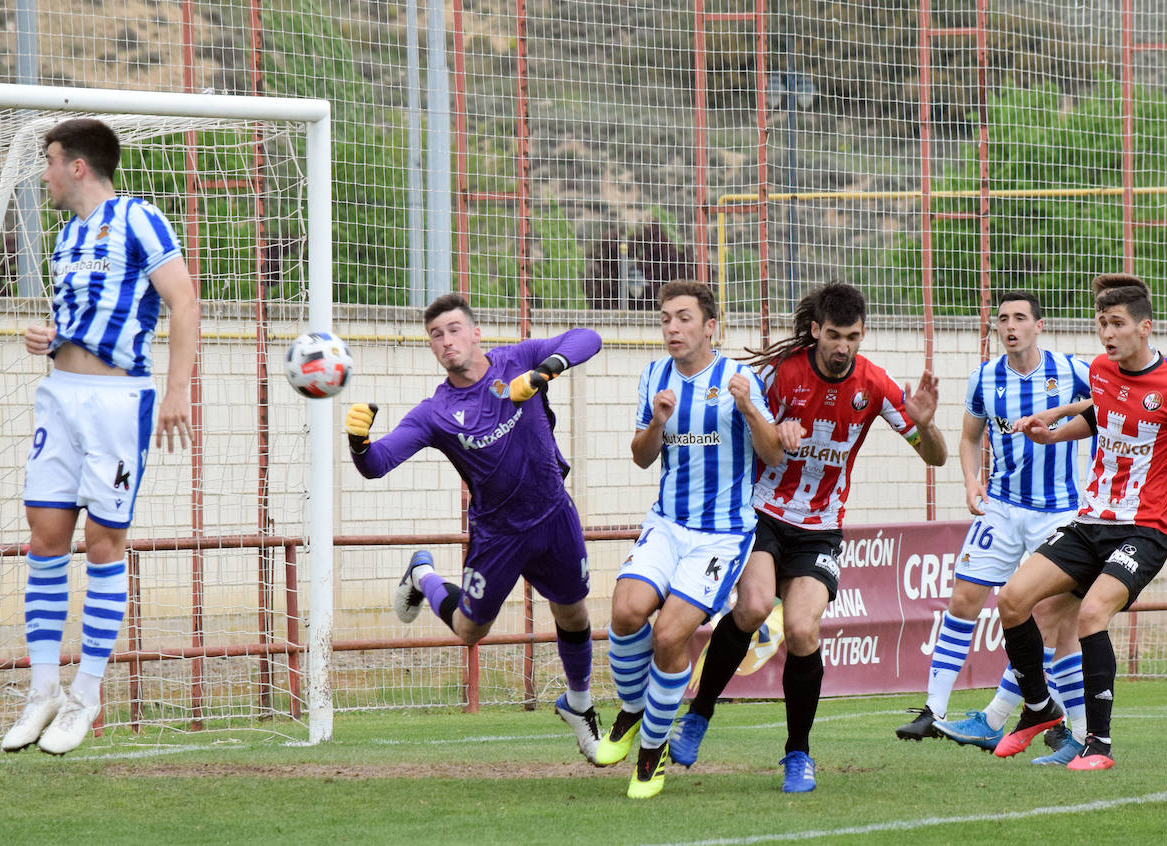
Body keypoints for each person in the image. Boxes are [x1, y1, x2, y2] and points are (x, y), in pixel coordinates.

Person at [668, 282, 948, 792]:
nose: (844, 347)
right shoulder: (781, 373)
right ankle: (700, 713)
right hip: (761, 513)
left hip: (819, 530)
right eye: (835, 335)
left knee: (801, 631)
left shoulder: (875, 384)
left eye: (854, 337)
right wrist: (773, 429)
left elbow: (935, 458)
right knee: (752, 607)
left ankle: (798, 753)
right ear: (816, 330)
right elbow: (739, 425)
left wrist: (926, 426)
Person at [1, 118, 199, 755]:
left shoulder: (139, 218)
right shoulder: (65, 238)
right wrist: (47, 339)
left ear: (77, 166)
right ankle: (42, 691)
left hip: (118, 402)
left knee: (103, 541)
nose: (45, 174)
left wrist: (176, 391)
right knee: (44, 533)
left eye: (50, 161)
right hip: (59, 396)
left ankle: (86, 693)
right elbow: (72, 321)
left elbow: (184, 301)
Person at [343, 293, 605, 764]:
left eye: (454, 329)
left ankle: (580, 704)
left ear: (476, 332)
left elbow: (589, 337)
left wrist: (545, 372)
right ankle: (423, 576)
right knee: (468, 631)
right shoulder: (435, 413)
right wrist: (359, 443)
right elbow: (377, 464)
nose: (446, 341)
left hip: (553, 513)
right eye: (436, 336)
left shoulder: (518, 360)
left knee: (574, 614)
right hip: (499, 535)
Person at [992, 273, 1167, 770]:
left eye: (1117, 324)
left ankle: (1099, 745)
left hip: (1144, 531)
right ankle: (1036, 710)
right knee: (1011, 600)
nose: (1107, 333)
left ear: (1145, 328)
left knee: (1092, 615)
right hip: (1090, 522)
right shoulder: (1099, 368)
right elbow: (1101, 413)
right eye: (1102, 323)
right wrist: (1055, 432)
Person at [594, 280, 784, 799]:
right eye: (664, 319)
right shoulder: (654, 376)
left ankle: (652, 757)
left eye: (682, 318)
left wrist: (749, 410)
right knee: (626, 611)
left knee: (670, 636)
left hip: (721, 536)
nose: (672, 328)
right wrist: (656, 422)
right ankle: (633, 711)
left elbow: (772, 455)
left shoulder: (740, 379)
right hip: (666, 523)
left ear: (709, 326)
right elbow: (641, 455)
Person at [898, 291, 1092, 766]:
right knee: (963, 598)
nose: (1010, 326)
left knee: (1051, 620)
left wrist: (1061, 415)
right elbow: (969, 436)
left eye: (1020, 318)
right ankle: (935, 710)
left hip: (1059, 511)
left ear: (1039, 325)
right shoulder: (985, 376)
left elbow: (1103, 403)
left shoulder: (1071, 370)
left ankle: (1053, 721)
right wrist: (969, 480)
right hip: (1002, 508)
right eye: (1002, 319)